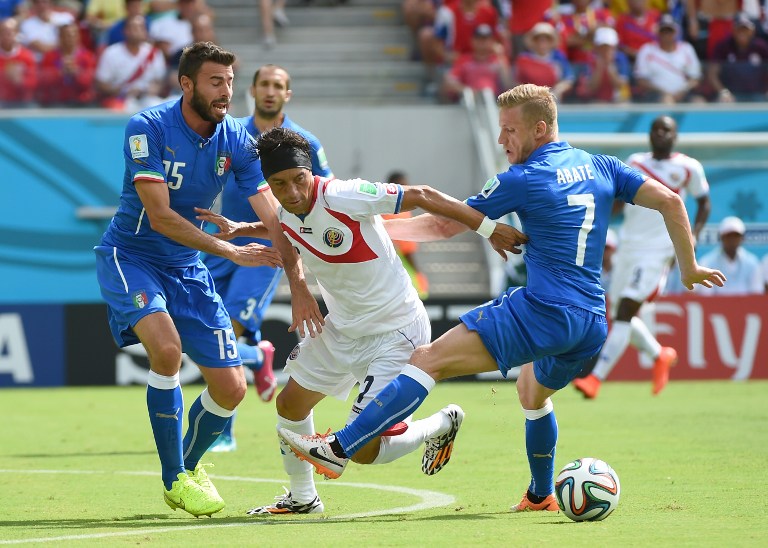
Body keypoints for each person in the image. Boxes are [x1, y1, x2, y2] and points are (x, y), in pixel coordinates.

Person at [277, 84, 726, 514]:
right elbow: (670, 200)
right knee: (532, 394)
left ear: (540, 129)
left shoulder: (523, 178)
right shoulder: (602, 165)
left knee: (427, 359)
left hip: (542, 309)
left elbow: (441, 225)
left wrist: (363, 227)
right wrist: (687, 267)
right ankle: (539, 494)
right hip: (590, 322)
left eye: (509, 129)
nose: (501, 138)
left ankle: (340, 447)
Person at [195, 126, 527, 515]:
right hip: (341, 328)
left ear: (311, 173)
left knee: (366, 450)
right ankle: (303, 498)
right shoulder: (285, 210)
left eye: (299, 180)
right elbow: (284, 225)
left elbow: (421, 195)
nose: (293, 192)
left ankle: (439, 424)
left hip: (396, 329)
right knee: (289, 404)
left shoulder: (342, 194)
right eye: (279, 184)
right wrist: (240, 229)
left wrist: (486, 228)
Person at [94, 42, 322, 518]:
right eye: (216, 82)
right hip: (132, 256)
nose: (226, 92)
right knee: (168, 350)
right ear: (187, 84)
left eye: (230, 83)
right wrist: (232, 250)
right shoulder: (148, 127)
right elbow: (160, 217)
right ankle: (174, 477)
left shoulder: (237, 139)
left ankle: (191, 465)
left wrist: (299, 282)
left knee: (232, 388)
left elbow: (274, 217)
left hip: (187, 266)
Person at [206, 64, 335, 453]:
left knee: (222, 336)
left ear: (287, 94)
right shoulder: (229, 132)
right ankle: (258, 355)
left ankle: (222, 430)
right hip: (223, 239)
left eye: (278, 86)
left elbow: (326, 190)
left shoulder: (303, 141)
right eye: (264, 84)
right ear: (253, 90)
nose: (269, 91)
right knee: (205, 328)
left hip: (270, 247)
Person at [573, 115, 711, 399]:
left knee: (625, 311)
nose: (661, 134)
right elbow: (621, 202)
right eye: (656, 129)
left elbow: (704, 202)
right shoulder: (635, 162)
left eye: (667, 130)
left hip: (658, 250)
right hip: (628, 246)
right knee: (617, 314)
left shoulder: (688, 167)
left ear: (675, 135)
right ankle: (660, 354)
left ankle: (595, 379)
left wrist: (691, 235)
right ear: (649, 135)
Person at [381, 171, 429, 298]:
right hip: (402, 266)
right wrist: (417, 272)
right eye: (403, 185)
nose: (407, 189)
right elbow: (406, 249)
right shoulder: (397, 213)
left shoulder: (383, 209)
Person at [697, 216, 763, 295]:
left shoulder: (752, 262)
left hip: (747, 307)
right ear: (721, 237)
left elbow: (756, 293)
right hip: (716, 307)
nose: (732, 239)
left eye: (736, 236)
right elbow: (706, 295)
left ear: (742, 238)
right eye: (728, 236)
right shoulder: (707, 262)